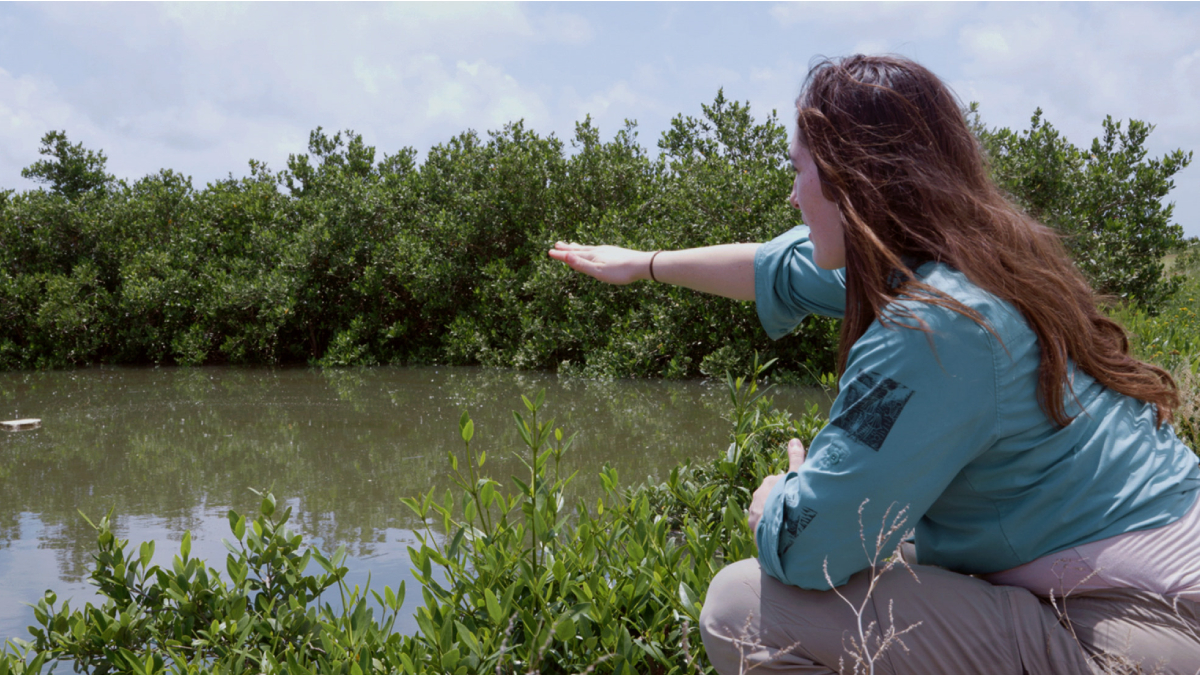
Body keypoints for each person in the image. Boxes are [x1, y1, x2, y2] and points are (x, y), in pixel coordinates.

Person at [548, 55, 1200, 674]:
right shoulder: (977, 263)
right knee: (892, 547)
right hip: (1134, 577)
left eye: (797, 169)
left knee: (742, 606)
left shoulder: (934, 326)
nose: (793, 195)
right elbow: (778, 267)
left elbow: (810, 548)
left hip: (1136, 632)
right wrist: (646, 264)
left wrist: (781, 502)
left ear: (849, 179)